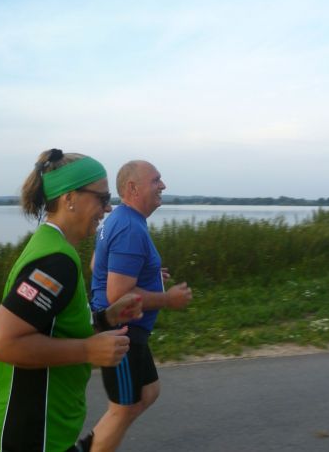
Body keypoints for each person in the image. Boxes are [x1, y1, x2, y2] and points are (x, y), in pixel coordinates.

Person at [0, 149, 143, 452]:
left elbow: (49, 325)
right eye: (102, 198)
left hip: (41, 428)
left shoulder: (51, 245)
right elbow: (0, 343)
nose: (108, 208)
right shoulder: (55, 262)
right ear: (70, 198)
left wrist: (106, 318)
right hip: (29, 433)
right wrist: (88, 350)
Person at [84, 160, 193, 452]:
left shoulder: (119, 219)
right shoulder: (130, 227)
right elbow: (118, 294)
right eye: (156, 180)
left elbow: (97, 264)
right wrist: (168, 299)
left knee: (148, 392)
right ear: (133, 188)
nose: (163, 185)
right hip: (121, 332)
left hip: (132, 332)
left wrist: (148, 273)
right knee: (123, 408)